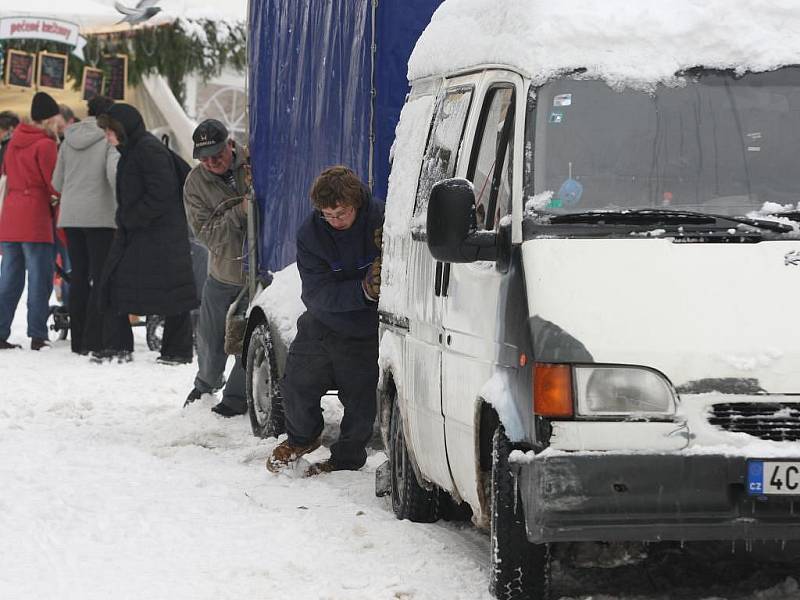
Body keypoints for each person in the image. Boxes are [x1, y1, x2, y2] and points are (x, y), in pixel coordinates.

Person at [266, 165, 383, 476]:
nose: (334, 221)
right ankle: (302, 439)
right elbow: (317, 292)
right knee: (296, 382)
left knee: (359, 398)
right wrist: (362, 290)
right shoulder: (310, 233)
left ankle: (345, 460)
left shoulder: (381, 221)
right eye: (327, 214)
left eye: (341, 214)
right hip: (322, 320)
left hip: (364, 329)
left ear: (356, 203)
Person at [97, 103, 198, 363]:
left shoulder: (147, 150)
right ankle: (120, 344)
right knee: (116, 283)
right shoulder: (134, 150)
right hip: (145, 233)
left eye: (109, 131)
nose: (107, 137)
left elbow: (161, 193)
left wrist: (130, 217)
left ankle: (176, 350)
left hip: (157, 235)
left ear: (123, 128)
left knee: (172, 293)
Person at [52, 95, 131, 358]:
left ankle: (77, 341)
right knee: (100, 277)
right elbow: (113, 174)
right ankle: (95, 339)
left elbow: (57, 181)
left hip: (71, 215)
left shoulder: (68, 137)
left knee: (79, 277)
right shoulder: (108, 137)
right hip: (99, 216)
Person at [183, 119, 249, 416]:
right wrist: (240, 212)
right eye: (205, 158)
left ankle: (236, 399)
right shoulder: (194, 184)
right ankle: (205, 384)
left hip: (259, 276)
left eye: (217, 155)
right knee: (210, 340)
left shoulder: (253, 164)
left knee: (248, 340)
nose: (212, 162)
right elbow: (206, 234)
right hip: (223, 273)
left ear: (230, 145)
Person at [0, 92, 65, 350]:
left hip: (11, 217)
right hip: (35, 217)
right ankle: (38, 335)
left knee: (9, 279)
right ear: (49, 119)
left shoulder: (14, 140)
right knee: (39, 279)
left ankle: (1, 331)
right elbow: (53, 183)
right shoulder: (46, 144)